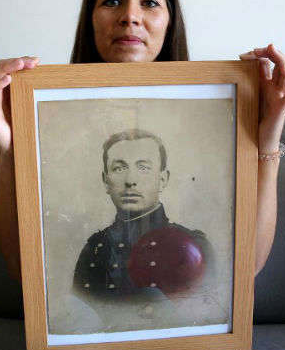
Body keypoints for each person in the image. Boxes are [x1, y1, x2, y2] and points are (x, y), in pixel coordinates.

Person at [0, 0, 285, 350]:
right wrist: (8, 152)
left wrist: (267, 138)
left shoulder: (194, 238)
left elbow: (249, 268)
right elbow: (25, 272)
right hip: (84, 342)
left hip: (185, 338)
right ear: (105, 178)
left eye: (150, 1)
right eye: (111, 0)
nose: (130, 16)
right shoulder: (92, 246)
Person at [73, 128, 215, 301]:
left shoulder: (192, 245)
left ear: (162, 180)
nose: (130, 180)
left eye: (143, 168)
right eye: (119, 168)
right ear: (106, 181)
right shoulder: (95, 248)